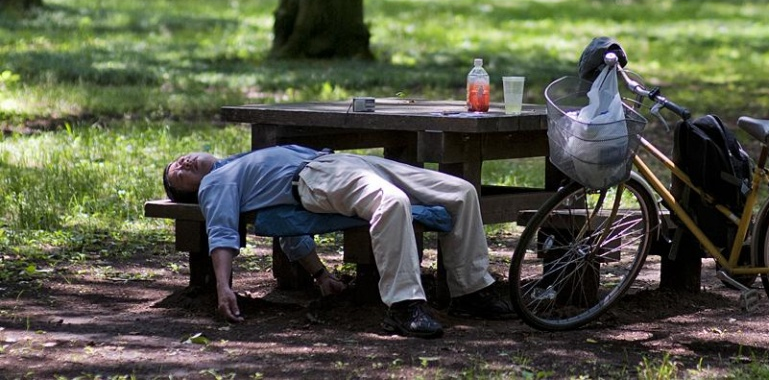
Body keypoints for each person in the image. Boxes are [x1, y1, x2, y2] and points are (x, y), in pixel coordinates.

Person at [162, 144, 514, 338]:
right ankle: (404, 305)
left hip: (343, 161)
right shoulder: (216, 183)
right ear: (190, 193)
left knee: (462, 192)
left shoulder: (238, 163)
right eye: (177, 173)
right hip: (317, 177)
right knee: (393, 203)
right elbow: (221, 230)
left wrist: (319, 275)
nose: (183, 162)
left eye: (181, 158)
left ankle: (471, 290)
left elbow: (290, 233)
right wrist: (224, 286)